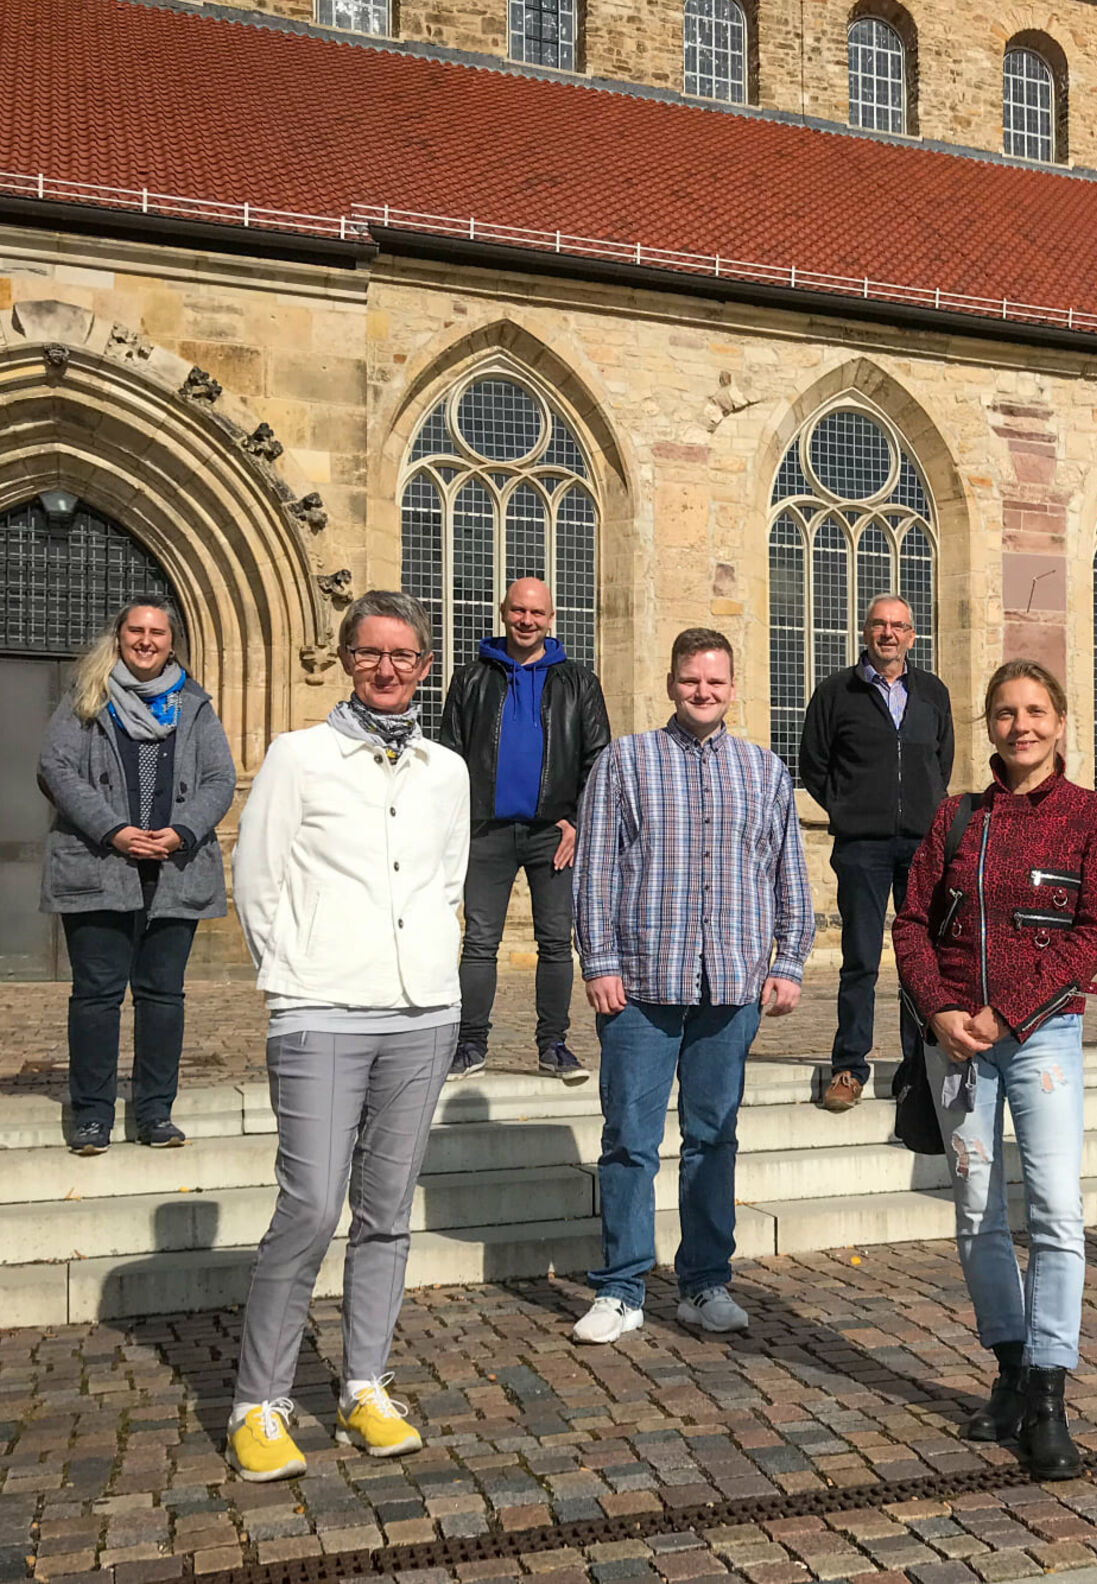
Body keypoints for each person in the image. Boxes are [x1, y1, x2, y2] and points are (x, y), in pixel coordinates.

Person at [224, 590, 471, 1482]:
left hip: (420, 1011)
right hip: (321, 1006)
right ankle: (259, 1402)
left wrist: (436, 960)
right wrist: (293, 969)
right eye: (372, 654)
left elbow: (447, 879)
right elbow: (256, 878)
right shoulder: (300, 756)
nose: (389, 669)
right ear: (345, 659)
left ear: (426, 665)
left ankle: (365, 1385)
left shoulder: (447, 770)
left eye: (405, 656)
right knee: (312, 1206)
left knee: (386, 1215)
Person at [892, 660, 1097, 1481]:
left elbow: (1094, 934)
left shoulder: (1096, 817)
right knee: (978, 1211)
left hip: (1043, 1039)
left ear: (1060, 722)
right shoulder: (956, 818)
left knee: (1058, 1210)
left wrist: (1008, 1012)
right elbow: (912, 919)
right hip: (955, 1039)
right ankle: (1010, 1374)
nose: (1019, 726)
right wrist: (940, 1009)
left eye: (1034, 712)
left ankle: (1050, 1394)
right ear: (988, 726)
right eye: (1004, 713)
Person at [570, 628, 812, 1345]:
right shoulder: (625, 761)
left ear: (733, 687)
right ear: (671, 683)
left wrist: (789, 961)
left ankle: (705, 1283)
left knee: (713, 1137)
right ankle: (621, 1288)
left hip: (732, 982)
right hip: (641, 980)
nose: (702, 692)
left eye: (715, 681)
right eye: (690, 681)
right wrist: (600, 960)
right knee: (630, 1141)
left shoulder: (764, 772)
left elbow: (787, 874)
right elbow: (596, 871)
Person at [38, 595, 236, 1155]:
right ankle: (93, 1116)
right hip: (100, 866)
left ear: (173, 642)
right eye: (136, 631)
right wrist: (113, 830)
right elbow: (56, 768)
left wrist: (182, 831)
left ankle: (154, 1113)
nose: (146, 641)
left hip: (174, 869)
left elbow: (220, 779)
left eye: (157, 632)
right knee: (97, 995)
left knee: (162, 996)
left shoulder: (194, 705)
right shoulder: (87, 697)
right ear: (119, 637)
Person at [438, 576, 612, 1085]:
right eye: (518, 611)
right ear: (504, 612)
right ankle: (470, 1045)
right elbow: (449, 755)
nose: (527, 621)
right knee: (479, 942)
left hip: (552, 836)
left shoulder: (579, 681)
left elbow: (598, 758)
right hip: (486, 831)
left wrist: (578, 821)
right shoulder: (471, 679)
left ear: (551, 618)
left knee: (557, 941)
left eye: (536, 613)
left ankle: (553, 1045)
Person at [799, 595, 954, 1112]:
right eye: (879, 625)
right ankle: (848, 1066)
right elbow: (814, 765)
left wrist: (924, 811)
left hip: (920, 845)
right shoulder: (835, 693)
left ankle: (918, 1069)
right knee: (860, 959)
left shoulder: (932, 692)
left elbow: (942, 761)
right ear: (865, 632)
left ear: (913, 635)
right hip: (860, 846)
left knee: (920, 961)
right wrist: (849, 809)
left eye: (899, 626)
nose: (889, 634)